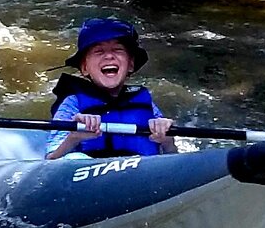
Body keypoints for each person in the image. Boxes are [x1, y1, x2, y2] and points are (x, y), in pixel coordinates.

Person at [46, 18, 177, 159]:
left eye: (117, 50)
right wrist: (74, 137)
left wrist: (167, 140)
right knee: (74, 158)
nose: (109, 56)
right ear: (84, 68)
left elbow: (172, 158)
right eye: (99, 51)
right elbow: (51, 160)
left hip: (141, 172)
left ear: (130, 64)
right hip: (90, 173)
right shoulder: (72, 104)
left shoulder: (146, 104)